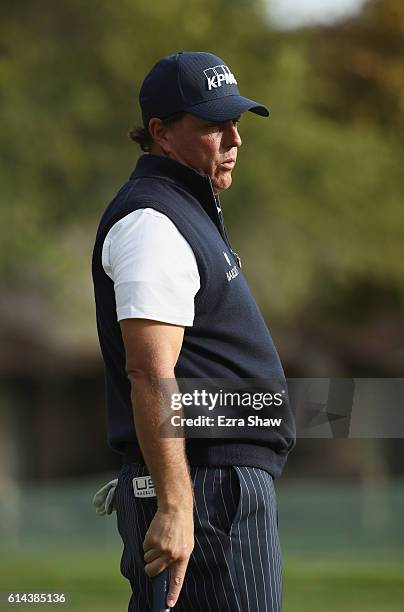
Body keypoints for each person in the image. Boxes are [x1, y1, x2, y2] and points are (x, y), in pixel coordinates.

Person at [92, 51, 296, 611]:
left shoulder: (186, 210)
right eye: (212, 125)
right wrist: (177, 504)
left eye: (236, 122)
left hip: (220, 485)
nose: (233, 138)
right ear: (160, 132)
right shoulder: (152, 222)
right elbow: (150, 370)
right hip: (206, 492)